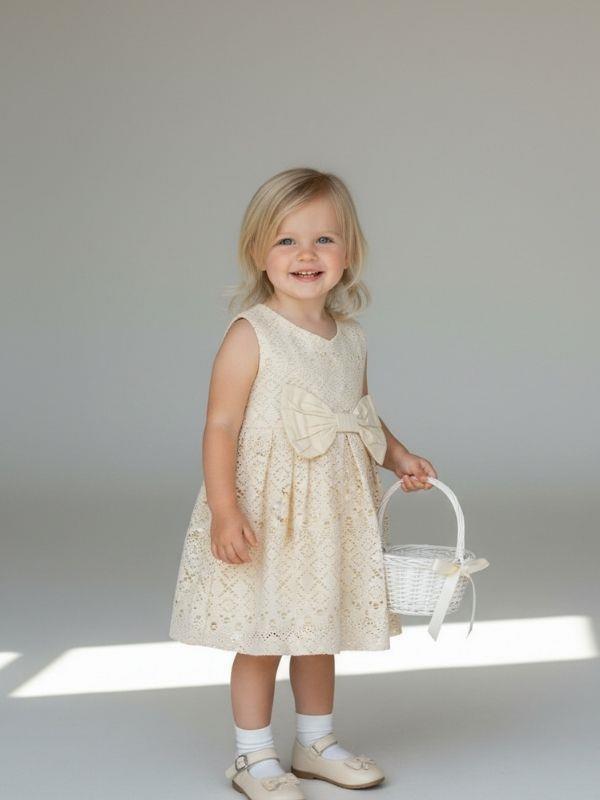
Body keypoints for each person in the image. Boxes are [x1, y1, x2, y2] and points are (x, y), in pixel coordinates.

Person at [169, 167, 438, 799]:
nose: (307, 255)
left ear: (349, 253)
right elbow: (220, 425)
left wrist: (398, 455)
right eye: (287, 240)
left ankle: (315, 742)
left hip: (331, 511)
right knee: (262, 634)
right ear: (258, 252)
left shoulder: (351, 338)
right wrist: (225, 509)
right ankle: (253, 756)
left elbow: (358, 413)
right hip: (269, 510)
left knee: (321, 630)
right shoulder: (252, 333)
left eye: (324, 240)